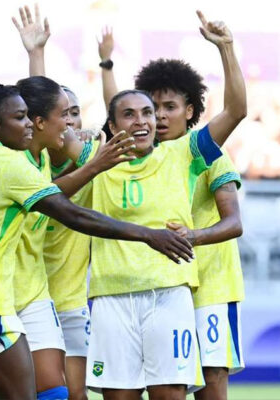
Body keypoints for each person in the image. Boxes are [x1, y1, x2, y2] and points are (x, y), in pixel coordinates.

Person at [0, 82, 192, 400]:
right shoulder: (10, 165)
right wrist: (149, 234)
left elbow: (55, 185)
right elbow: (74, 215)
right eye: (21, 118)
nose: (29, 123)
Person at [100, 11, 246, 400]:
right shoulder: (142, 154)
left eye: (169, 107)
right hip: (162, 281)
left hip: (210, 283)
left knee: (211, 387)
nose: (159, 116)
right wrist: (107, 66)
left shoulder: (206, 152)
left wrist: (192, 237)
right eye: (153, 108)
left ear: (191, 111)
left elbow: (234, 222)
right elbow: (114, 113)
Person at [12, 6, 94, 399]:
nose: (70, 121)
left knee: (70, 393)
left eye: (76, 114)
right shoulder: (33, 159)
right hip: (21, 291)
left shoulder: (90, 158)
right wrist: (35, 54)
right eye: (65, 114)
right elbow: (35, 104)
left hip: (69, 298)